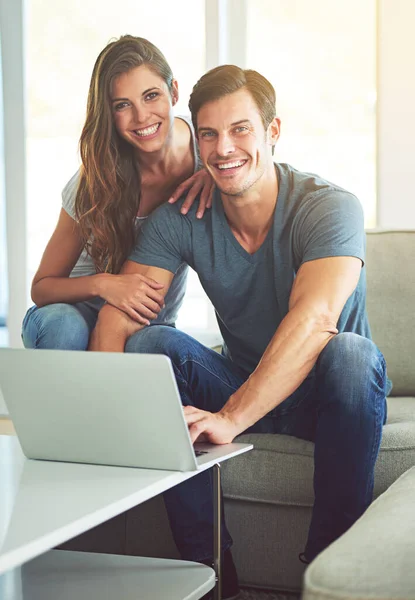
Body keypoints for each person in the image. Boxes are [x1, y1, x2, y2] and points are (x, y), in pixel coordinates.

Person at [89, 65, 389, 599]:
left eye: (241, 129)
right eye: (209, 133)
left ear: (273, 132)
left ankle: (325, 575)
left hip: (331, 399)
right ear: (195, 138)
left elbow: (315, 320)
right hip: (247, 381)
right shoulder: (182, 214)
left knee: (351, 354)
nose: (224, 148)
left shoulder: (329, 206)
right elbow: (118, 323)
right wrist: (98, 432)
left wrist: (231, 418)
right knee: (154, 344)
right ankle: (210, 574)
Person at [22, 35, 213, 350]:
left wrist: (214, 173)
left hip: (146, 319)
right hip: (73, 311)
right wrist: (104, 285)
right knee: (65, 328)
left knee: (158, 342)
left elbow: (257, 144)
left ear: (174, 92)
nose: (141, 117)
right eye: (123, 105)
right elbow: (42, 288)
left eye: (151, 96)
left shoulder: (208, 146)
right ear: (109, 114)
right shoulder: (95, 179)